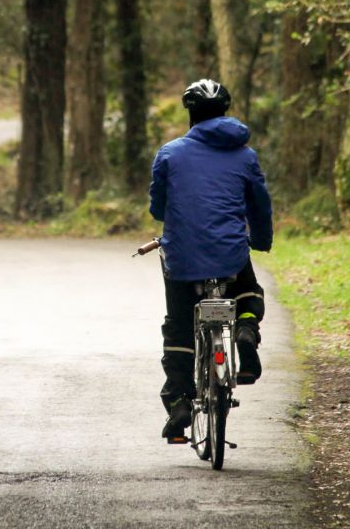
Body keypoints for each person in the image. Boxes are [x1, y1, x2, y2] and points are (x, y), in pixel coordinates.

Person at [148, 78, 273, 443]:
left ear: (191, 113)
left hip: (183, 257)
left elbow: (158, 207)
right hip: (230, 255)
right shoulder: (246, 155)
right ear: (225, 111)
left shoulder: (169, 153)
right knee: (247, 291)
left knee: (180, 324)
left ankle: (179, 399)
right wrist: (261, 240)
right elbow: (259, 206)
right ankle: (247, 332)